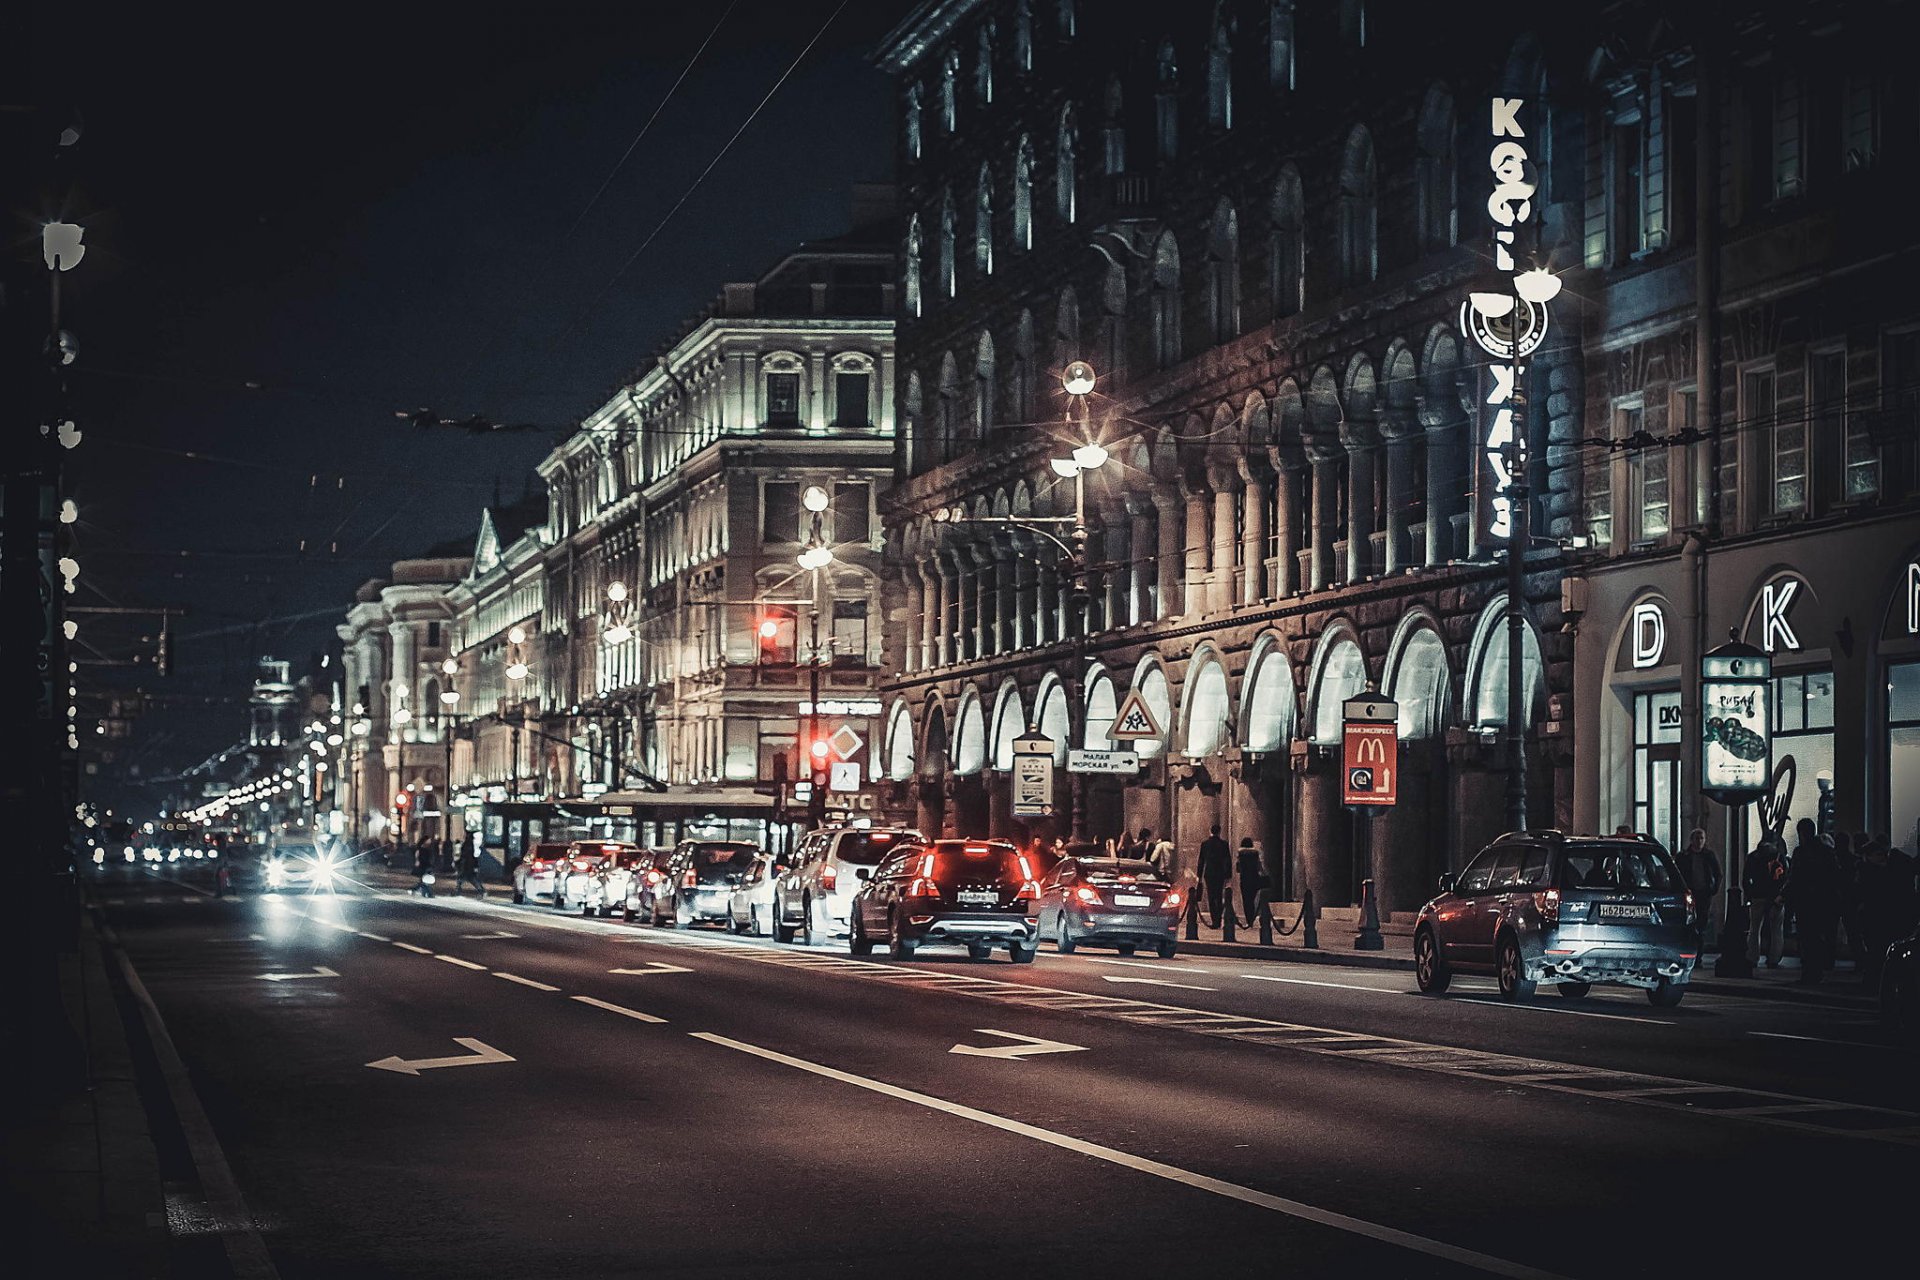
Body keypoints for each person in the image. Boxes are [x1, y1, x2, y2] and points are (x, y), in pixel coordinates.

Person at [1784, 819, 1839, 984]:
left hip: (1805, 901)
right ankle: (1817, 969)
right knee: (1818, 937)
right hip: (1823, 901)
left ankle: (1810, 971)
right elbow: (1835, 875)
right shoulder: (1827, 851)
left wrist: (1785, 895)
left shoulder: (1801, 852)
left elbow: (1794, 878)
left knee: (1807, 938)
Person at [1743, 833, 1788, 969]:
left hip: (1757, 895)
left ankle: (1752, 957)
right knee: (1776, 929)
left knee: (1754, 928)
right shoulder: (1779, 857)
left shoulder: (1753, 857)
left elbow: (1746, 878)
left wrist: (1749, 894)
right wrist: (1781, 895)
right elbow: (1785, 877)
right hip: (1775, 896)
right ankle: (1774, 959)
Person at [1678, 829, 1722, 949]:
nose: (1699, 841)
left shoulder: (1708, 855)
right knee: (1690, 921)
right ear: (1691, 840)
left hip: (1704, 893)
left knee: (1702, 922)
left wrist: (1713, 889)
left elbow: (1718, 873)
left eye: (1701, 838)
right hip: (1689, 893)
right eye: (1697, 838)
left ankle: (1699, 953)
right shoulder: (1684, 856)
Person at [1198, 824, 1232, 925]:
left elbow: (1201, 860)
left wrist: (1199, 875)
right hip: (1220, 873)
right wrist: (1228, 875)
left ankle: (1214, 920)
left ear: (1210, 831)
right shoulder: (1224, 844)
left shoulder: (1205, 844)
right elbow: (1228, 860)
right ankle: (1219, 916)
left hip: (1209, 873)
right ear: (1219, 831)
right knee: (1218, 894)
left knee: (1211, 897)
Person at [1235, 837, 1266, 925]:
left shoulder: (1240, 854)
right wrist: (1264, 873)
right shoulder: (1255, 853)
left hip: (1244, 879)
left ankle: (1249, 919)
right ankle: (1252, 918)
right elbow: (1259, 866)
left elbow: (1238, 868)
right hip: (1254, 878)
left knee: (1246, 900)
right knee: (1252, 899)